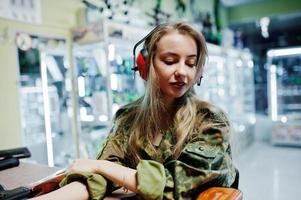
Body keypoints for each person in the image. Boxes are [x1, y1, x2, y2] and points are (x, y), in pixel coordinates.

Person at [32, 22, 236, 200]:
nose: (182, 72)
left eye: (191, 63)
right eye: (170, 61)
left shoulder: (210, 120)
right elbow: (97, 178)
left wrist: (102, 167)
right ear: (145, 66)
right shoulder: (128, 117)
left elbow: (176, 186)